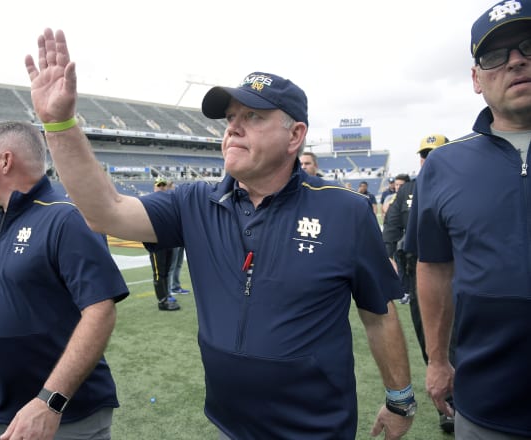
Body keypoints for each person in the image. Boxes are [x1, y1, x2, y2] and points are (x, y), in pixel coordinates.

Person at [26, 29, 415, 439]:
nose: (233, 129)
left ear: (295, 135)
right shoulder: (195, 201)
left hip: (315, 429)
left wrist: (400, 398)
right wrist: (59, 123)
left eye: (253, 117)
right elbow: (106, 211)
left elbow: (378, 313)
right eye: (231, 118)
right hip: (231, 426)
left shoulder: (344, 210)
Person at [406, 2, 531, 438]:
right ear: (477, 79)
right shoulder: (443, 165)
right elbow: (434, 267)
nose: (516, 60)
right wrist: (437, 360)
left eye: (528, 46)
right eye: (495, 55)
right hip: (486, 399)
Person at [0, 121, 129, 440]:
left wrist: (50, 401)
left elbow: (100, 311)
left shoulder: (65, 217)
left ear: (5, 160)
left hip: (61, 416)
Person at [382, 135, 455, 434]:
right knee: (430, 340)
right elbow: (393, 224)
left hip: (459, 274)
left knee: (462, 340)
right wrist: (388, 254)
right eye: (426, 154)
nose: (429, 159)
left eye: (435, 153)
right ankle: (447, 406)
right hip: (418, 274)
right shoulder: (409, 190)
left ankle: (465, 399)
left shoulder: (461, 183)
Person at [148, 176, 180, 310]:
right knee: (158, 272)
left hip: (168, 242)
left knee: (166, 271)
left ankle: (166, 296)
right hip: (156, 242)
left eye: (163, 185)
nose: (161, 188)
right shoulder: (148, 201)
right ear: (154, 187)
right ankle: (162, 301)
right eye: (159, 185)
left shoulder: (170, 201)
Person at [165, 180, 190, 296]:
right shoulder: (168, 203)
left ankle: (176, 286)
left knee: (178, 264)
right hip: (174, 238)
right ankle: (168, 289)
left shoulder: (180, 204)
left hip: (182, 238)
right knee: (172, 265)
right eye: (173, 188)